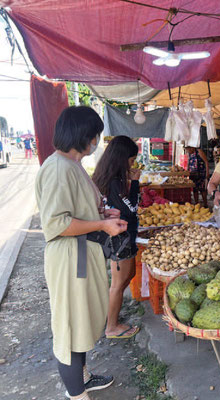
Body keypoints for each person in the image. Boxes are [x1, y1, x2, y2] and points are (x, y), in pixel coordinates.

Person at [35, 106, 128, 400]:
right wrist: (101, 222)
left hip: (82, 253)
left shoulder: (72, 165)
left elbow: (79, 207)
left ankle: (83, 377)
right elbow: (56, 223)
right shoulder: (58, 168)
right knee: (71, 325)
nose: (96, 141)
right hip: (69, 256)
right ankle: (76, 394)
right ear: (84, 135)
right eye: (95, 135)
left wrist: (102, 212)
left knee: (83, 318)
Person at [92, 136, 141, 340]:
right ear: (122, 159)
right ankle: (111, 327)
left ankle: (110, 318)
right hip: (119, 238)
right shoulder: (114, 181)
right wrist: (136, 182)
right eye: (130, 161)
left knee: (125, 278)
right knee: (118, 284)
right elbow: (131, 209)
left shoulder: (107, 176)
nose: (132, 164)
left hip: (121, 236)